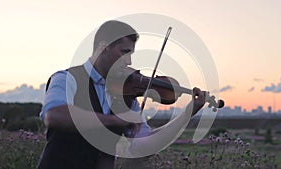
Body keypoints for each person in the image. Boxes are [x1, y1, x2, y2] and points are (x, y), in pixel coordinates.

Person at [37, 20, 206, 169]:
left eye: (130, 54)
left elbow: (143, 147)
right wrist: (115, 120)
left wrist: (187, 114)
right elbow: (55, 115)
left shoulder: (126, 95)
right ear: (103, 47)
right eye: (124, 52)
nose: (129, 61)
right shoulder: (66, 78)